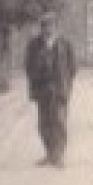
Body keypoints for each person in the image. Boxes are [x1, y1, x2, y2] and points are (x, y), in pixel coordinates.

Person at [24, 13, 75, 167]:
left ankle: (59, 156)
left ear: (56, 27)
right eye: (44, 26)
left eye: (51, 26)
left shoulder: (65, 44)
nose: (47, 29)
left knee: (59, 122)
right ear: (41, 28)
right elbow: (28, 65)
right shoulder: (34, 45)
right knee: (43, 124)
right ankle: (49, 153)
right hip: (42, 88)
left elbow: (72, 67)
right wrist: (36, 78)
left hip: (59, 88)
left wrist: (65, 84)